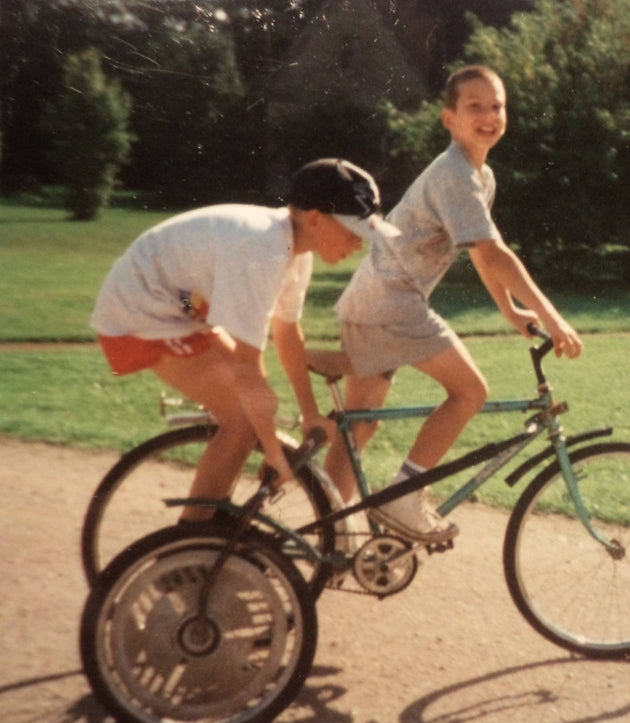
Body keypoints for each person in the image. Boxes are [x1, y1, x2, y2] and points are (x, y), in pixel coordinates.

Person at [325, 65, 583, 544]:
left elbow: (483, 252)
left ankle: (329, 532)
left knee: (358, 426)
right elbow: (493, 253)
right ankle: (403, 498)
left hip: (373, 298)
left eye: (496, 106)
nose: (488, 116)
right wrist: (552, 316)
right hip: (391, 301)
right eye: (474, 107)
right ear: (449, 118)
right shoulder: (454, 174)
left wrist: (510, 311)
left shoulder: (479, 177)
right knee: (470, 392)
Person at [91, 158, 399, 522]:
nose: (359, 244)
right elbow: (247, 365)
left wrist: (310, 413)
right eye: (353, 231)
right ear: (314, 218)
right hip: (141, 312)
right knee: (244, 416)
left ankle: (209, 522)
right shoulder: (263, 251)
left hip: (183, 302)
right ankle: (191, 537)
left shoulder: (294, 252)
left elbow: (287, 333)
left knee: (252, 412)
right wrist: (272, 451)